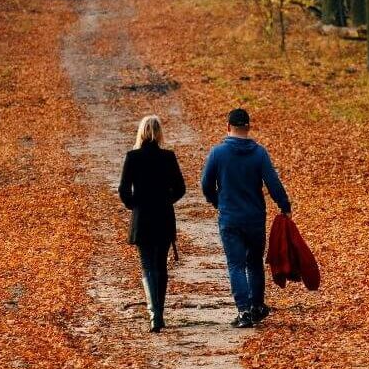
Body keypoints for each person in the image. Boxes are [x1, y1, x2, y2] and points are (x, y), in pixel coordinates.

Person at [201, 108, 291, 328]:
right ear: (248, 127)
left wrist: (217, 201)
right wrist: (284, 205)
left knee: (236, 265)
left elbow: (206, 184)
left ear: (228, 127)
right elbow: (273, 182)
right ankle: (257, 306)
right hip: (254, 218)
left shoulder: (218, 153)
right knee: (254, 263)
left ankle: (243, 312)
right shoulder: (259, 153)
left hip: (230, 217)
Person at [119, 115, 186, 333]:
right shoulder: (168, 157)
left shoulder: (133, 157)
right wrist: (167, 200)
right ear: (159, 133)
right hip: (164, 217)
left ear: (141, 132)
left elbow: (123, 190)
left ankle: (154, 314)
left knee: (147, 265)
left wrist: (134, 205)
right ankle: (159, 313)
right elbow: (181, 188)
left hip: (142, 219)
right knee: (161, 265)